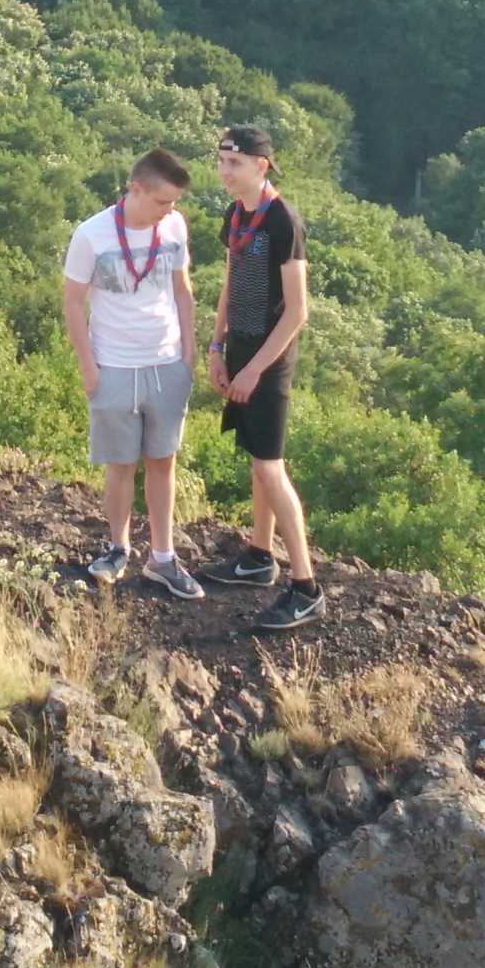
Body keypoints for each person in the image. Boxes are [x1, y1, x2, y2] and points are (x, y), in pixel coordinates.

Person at [63, 148, 204, 600]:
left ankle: (163, 557)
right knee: (121, 464)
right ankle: (117, 549)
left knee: (163, 462)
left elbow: (183, 290)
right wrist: (89, 368)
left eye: (175, 202)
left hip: (166, 363)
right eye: (163, 201)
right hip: (114, 365)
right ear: (136, 189)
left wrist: (189, 354)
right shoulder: (91, 234)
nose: (170, 210)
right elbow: (72, 302)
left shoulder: (174, 226)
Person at [201, 125, 324, 629]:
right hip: (241, 349)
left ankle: (306, 587)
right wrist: (217, 347)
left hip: (269, 361)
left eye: (234, 163)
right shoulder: (237, 214)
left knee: (271, 467)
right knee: (257, 460)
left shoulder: (282, 221)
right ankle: (258, 556)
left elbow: (298, 312)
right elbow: (230, 283)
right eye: (221, 162)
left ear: (261, 165)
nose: (224, 172)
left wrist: (254, 369)